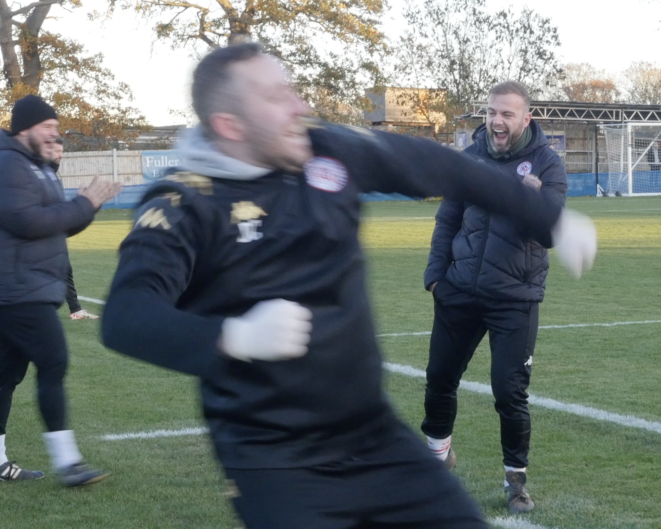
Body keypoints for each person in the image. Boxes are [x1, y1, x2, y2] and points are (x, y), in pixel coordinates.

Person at [100, 43, 596, 529]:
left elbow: (439, 165)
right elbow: (126, 315)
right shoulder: (184, 203)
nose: (301, 106)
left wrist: (546, 215)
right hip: (274, 459)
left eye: (291, 89)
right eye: (276, 98)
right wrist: (234, 338)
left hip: (372, 434)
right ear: (231, 126)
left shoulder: (325, 148)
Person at [420, 81, 567, 514]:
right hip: (459, 291)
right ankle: (437, 461)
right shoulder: (469, 159)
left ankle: (515, 482)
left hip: (514, 298)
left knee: (509, 393)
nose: (497, 121)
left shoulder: (548, 165)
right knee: (439, 380)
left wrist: (535, 202)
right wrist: (435, 279)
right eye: (492, 112)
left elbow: (551, 234)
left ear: (526, 118)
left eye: (507, 114)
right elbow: (447, 220)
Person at [0, 95, 120, 486]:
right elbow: (26, 221)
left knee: (6, 376)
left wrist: (90, 205)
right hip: (16, 289)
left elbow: (61, 225)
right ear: (25, 128)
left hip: (27, 286)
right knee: (54, 361)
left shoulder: (40, 167)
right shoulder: (8, 163)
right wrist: (84, 202)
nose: (56, 135)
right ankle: (68, 463)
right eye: (48, 128)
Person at [48, 138, 101, 320]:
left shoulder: (52, 174)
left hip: (53, 232)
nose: (60, 155)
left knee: (65, 269)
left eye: (61, 152)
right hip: (39, 235)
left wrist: (86, 206)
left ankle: (76, 310)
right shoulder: (34, 174)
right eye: (56, 152)